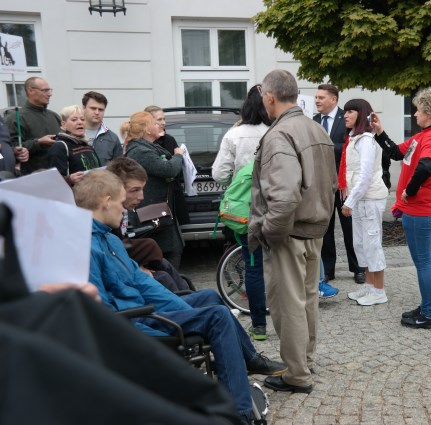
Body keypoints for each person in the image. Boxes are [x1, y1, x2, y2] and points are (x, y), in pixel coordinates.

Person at [73, 169, 286, 424]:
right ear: (106, 201)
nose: (125, 210)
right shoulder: (85, 246)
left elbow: (144, 284)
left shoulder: (109, 240)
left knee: (209, 297)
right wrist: (181, 314)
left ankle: (248, 360)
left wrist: (183, 310)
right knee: (217, 316)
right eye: (121, 203)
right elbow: (103, 314)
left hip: (144, 312)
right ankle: (239, 413)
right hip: (135, 324)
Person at [249, 69, 337, 393]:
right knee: (307, 299)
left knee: (290, 303)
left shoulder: (279, 135)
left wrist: (271, 233)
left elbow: (284, 198)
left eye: (263, 98)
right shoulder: (316, 129)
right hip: (313, 230)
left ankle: (297, 374)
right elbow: (331, 185)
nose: (263, 103)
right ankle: (305, 360)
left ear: (270, 97)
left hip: (290, 232)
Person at [372, 88, 431, 329]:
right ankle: (426, 307)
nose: (414, 114)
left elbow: (427, 166)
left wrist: (411, 190)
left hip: (420, 208)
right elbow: (396, 153)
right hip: (415, 209)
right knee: (422, 261)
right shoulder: (422, 137)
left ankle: (429, 314)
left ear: (428, 112)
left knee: (424, 261)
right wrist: (380, 132)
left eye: (417, 110)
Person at [212, 84, 271, 340]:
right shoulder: (275, 131)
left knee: (253, 267)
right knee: (284, 266)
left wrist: (237, 184)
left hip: (248, 213)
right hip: (277, 205)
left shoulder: (234, 135)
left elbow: (219, 174)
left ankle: (259, 326)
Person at [106, 157, 191, 292]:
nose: (141, 196)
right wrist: (137, 268)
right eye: (135, 190)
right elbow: (111, 254)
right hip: (120, 281)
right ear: (116, 189)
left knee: (164, 266)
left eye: (142, 189)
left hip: (126, 268)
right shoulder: (105, 217)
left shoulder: (121, 211)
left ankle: (192, 301)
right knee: (163, 277)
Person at [314, 84, 365, 288]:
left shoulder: (347, 118)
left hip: (345, 184)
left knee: (350, 228)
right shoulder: (314, 121)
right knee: (325, 229)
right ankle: (328, 270)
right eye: (316, 97)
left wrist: (325, 147)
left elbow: (350, 147)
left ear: (333, 100)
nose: (317, 100)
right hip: (322, 184)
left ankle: (358, 268)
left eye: (321, 97)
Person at [339, 99, 389, 306]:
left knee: (372, 244)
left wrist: (349, 201)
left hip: (370, 198)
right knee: (361, 244)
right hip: (360, 199)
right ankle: (369, 286)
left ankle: (379, 291)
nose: (346, 115)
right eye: (346, 111)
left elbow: (365, 175)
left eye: (351, 111)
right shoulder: (355, 138)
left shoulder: (367, 140)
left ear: (362, 114)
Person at [123, 111, 185, 269]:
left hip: (159, 212)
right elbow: (168, 169)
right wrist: (178, 156)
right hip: (151, 215)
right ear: (146, 129)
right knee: (166, 256)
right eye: (155, 122)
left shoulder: (147, 146)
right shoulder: (139, 151)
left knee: (172, 251)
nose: (161, 124)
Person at [144, 105, 190, 225]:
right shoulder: (143, 144)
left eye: (164, 119)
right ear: (148, 122)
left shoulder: (169, 139)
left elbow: (177, 169)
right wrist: (176, 158)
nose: (163, 123)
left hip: (174, 194)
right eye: (159, 120)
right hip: (155, 200)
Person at [5, 77, 60, 174]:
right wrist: (38, 143)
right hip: (32, 176)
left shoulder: (54, 116)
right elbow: (11, 148)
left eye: (50, 90)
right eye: (45, 90)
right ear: (31, 90)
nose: (50, 94)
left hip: (60, 174)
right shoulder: (15, 118)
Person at [48, 105, 101, 186]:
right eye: (74, 120)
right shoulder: (60, 146)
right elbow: (53, 181)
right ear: (63, 125)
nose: (80, 122)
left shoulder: (87, 144)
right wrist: (69, 179)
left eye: (82, 119)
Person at [82, 91, 122, 165]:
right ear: (84, 108)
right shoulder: (70, 135)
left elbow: (119, 169)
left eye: (101, 109)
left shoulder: (113, 138)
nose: (97, 112)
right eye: (93, 108)